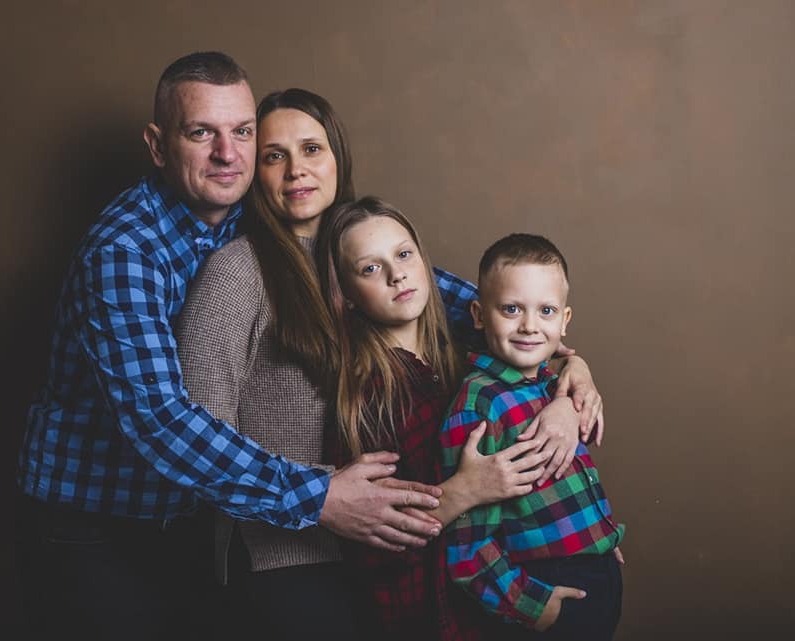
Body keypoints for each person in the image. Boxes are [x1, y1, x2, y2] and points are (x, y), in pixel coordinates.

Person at [16, 52, 444, 641]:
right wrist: (319, 496)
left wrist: (549, 351)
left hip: (195, 514)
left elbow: (407, 281)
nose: (228, 153)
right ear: (158, 145)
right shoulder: (125, 252)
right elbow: (162, 419)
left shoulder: (256, 210)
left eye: (243, 132)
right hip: (98, 520)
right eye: (201, 133)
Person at [176, 89, 604, 640]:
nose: (297, 169)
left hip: (411, 548)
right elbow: (197, 433)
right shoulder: (237, 273)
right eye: (274, 155)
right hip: (288, 553)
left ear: (338, 156)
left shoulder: (373, 250)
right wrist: (319, 495)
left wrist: (569, 383)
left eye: (312, 148)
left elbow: (513, 317)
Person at [441, 233, 625, 641]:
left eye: (546, 311)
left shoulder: (554, 387)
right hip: (542, 583)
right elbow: (467, 542)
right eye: (511, 309)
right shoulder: (480, 405)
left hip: (595, 570)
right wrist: (530, 605)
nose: (529, 325)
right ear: (479, 315)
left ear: (565, 320)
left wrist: (598, 537)